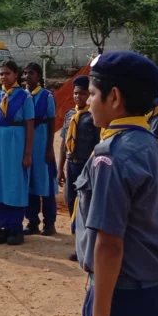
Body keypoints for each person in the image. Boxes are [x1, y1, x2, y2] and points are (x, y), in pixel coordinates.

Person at [73, 51, 158, 316]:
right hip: (154, 292)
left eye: (93, 94)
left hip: (122, 297)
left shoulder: (111, 155)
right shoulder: (154, 145)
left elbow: (109, 243)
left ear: (114, 98)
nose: (87, 101)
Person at [0, 60, 34, 246]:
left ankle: (16, 227)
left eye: (7, 73)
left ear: (16, 75)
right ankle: (4, 225)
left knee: (15, 183)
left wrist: (27, 154)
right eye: (1, 74)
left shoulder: (25, 97)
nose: (4, 77)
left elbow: (30, 126)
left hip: (16, 140)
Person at [57, 75, 98, 261]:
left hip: (86, 165)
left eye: (82, 93)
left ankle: (87, 245)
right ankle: (77, 241)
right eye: (75, 93)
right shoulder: (69, 115)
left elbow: (98, 143)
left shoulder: (93, 116)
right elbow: (64, 144)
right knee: (71, 201)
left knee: (85, 205)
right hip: (71, 164)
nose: (77, 97)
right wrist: (60, 168)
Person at [23, 62, 58, 237]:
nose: (27, 77)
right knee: (29, 183)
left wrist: (50, 147)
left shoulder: (47, 96)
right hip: (27, 144)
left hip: (42, 141)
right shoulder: (22, 96)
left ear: (38, 76)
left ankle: (49, 222)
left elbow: (52, 121)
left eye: (31, 73)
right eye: (25, 73)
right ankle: (32, 221)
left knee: (45, 184)